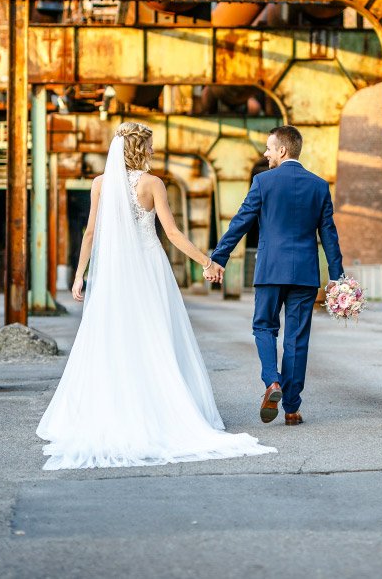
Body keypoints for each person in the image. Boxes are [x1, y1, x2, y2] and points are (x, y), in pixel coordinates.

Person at [36, 122, 275, 470]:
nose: (152, 151)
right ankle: (164, 408)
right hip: (149, 268)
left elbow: (90, 233)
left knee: (113, 337)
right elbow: (173, 233)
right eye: (149, 145)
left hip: (114, 272)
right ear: (139, 148)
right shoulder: (153, 184)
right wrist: (207, 261)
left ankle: (113, 409)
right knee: (156, 336)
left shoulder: (100, 184)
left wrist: (79, 275)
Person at [208, 125, 344, 426]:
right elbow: (330, 238)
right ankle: (292, 408)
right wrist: (338, 280)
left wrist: (219, 258)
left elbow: (241, 222)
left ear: (282, 150)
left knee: (264, 328)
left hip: (270, 270)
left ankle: (272, 382)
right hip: (305, 274)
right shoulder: (319, 186)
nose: (266, 153)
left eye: (269, 148)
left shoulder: (263, 182)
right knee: (297, 339)